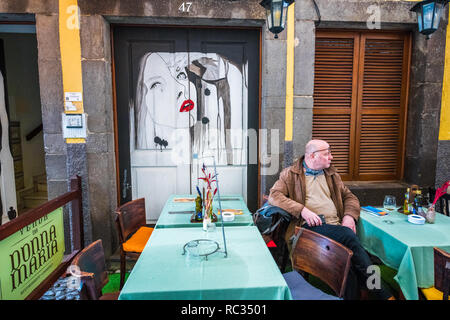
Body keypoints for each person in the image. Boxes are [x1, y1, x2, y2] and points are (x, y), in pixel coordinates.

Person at [268, 139, 394, 300]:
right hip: (307, 229)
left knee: (346, 261)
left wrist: (349, 217)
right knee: (349, 237)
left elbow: (350, 197)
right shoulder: (291, 174)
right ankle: (380, 291)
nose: (331, 157)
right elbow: (274, 196)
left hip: (335, 227)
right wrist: (302, 211)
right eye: (327, 153)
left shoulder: (332, 174)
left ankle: (366, 292)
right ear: (313, 156)